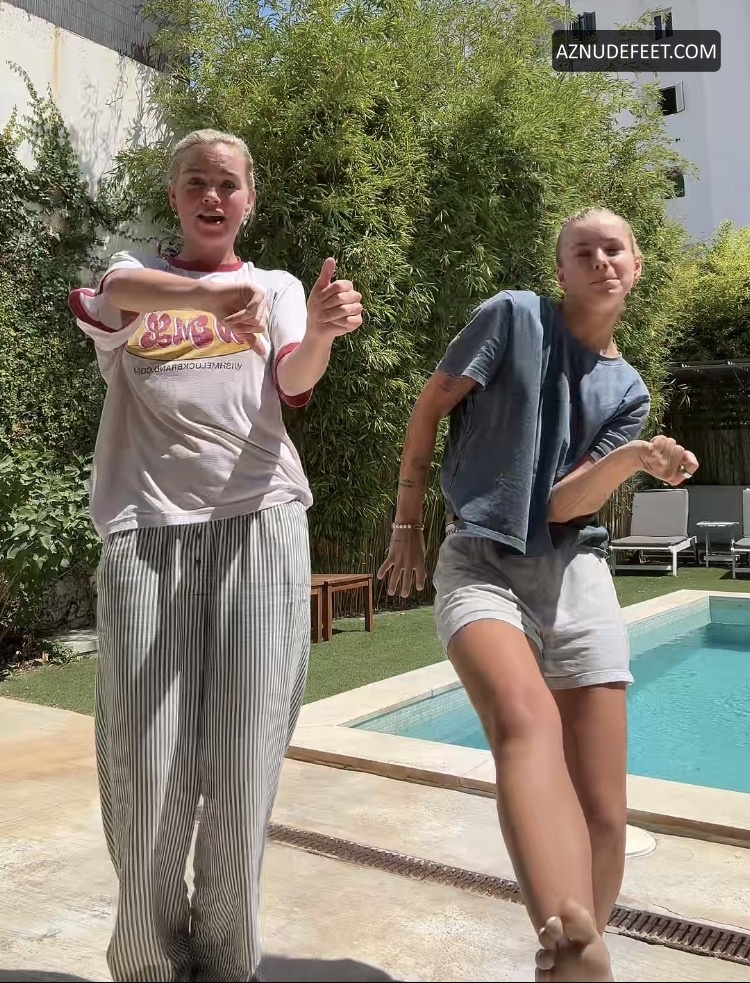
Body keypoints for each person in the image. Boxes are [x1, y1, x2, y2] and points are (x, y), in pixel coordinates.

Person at [68, 128, 362, 982]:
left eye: (228, 183)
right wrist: (211, 299)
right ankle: (149, 960)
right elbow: (111, 295)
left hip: (260, 524)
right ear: (175, 197)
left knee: (243, 756)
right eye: (196, 181)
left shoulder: (277, 287)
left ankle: (229, 960)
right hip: (146, 530)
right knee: (145, 756)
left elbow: (294, 380)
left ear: (249, 200)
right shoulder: (135, 273)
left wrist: (323, 332)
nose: (212, 195)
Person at [377, 207, 698, 982]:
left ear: (637, 266)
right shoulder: (514, 317)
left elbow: (560, 507)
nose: (600, 260)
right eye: (582, 251)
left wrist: (632, 456)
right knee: (526, 724)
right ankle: (577, 948)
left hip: (575, 572)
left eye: (614, 248)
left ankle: (577, 952)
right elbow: (430, 406)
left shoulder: (628, 390)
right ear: (561, 272)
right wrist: (407, 522)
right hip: (482, 561)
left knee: (604, 811)